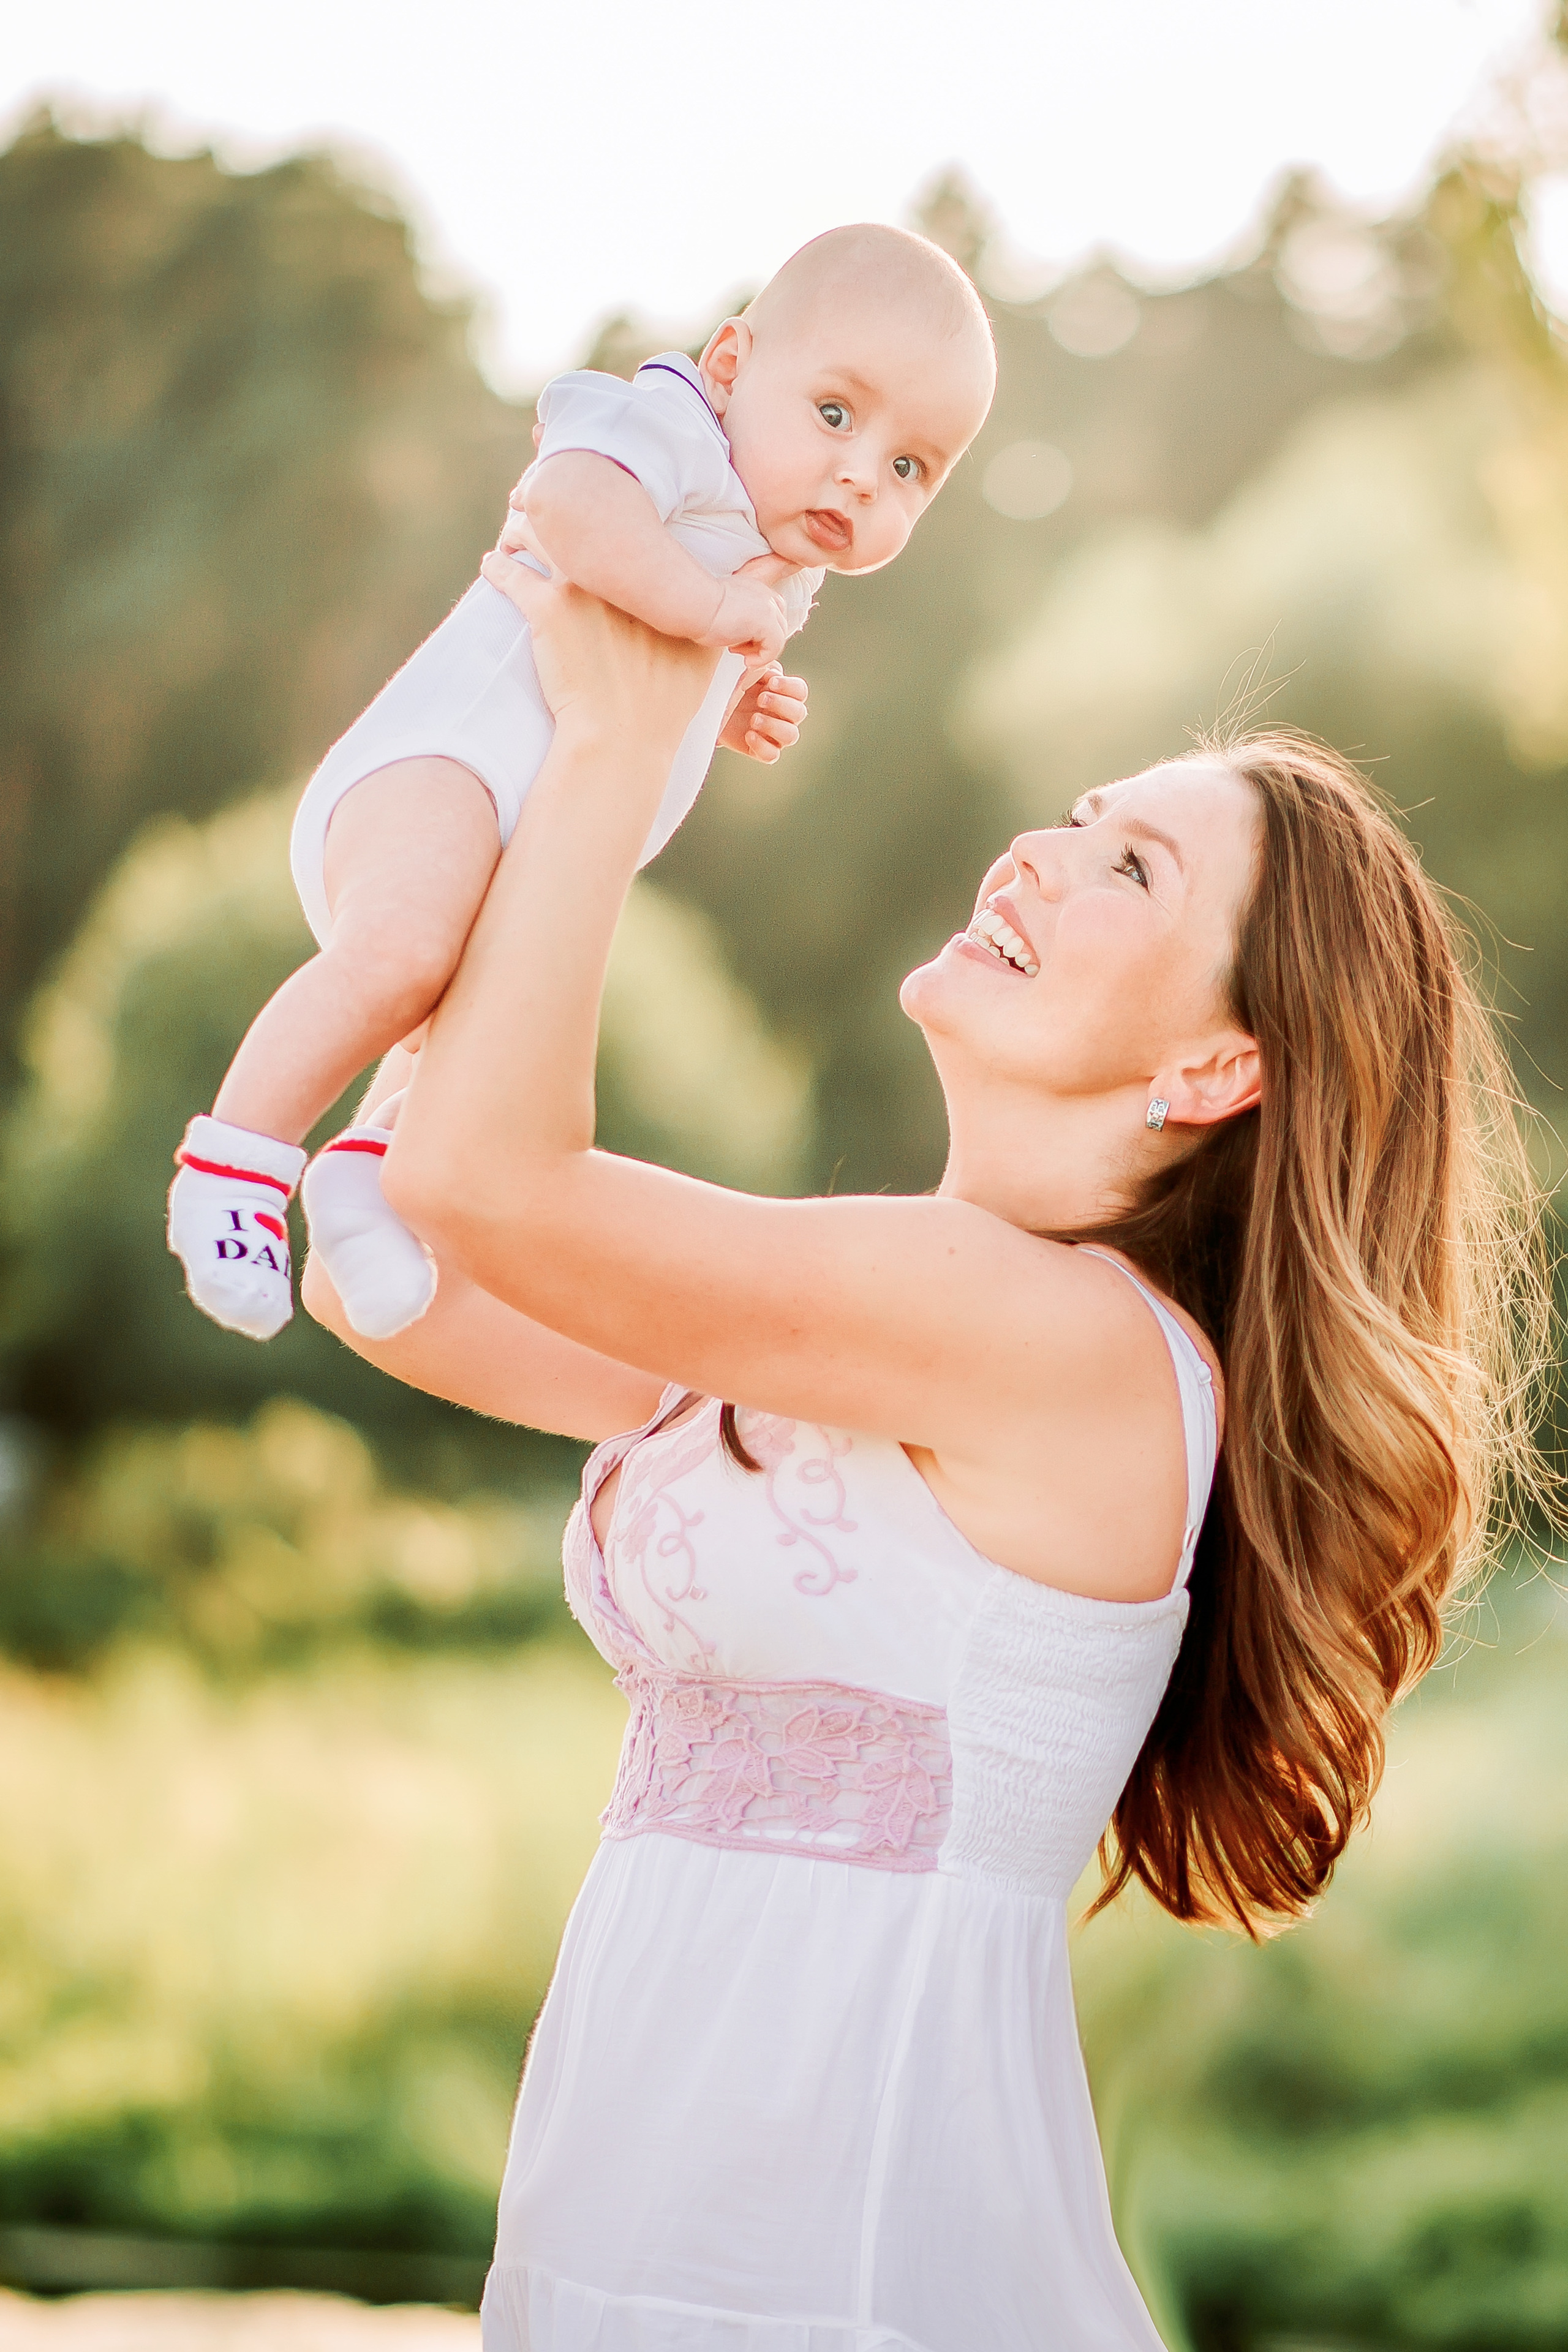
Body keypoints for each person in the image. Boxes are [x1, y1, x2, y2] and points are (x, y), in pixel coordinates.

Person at [304, 556, 1552, 2349]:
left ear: (1215, 1070)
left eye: (1132, 865)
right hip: (636, 2202)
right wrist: (506, 805)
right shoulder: (865, 1318)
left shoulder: (1054, 1340)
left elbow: (484, 1185)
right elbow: (399, 1277)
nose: (1033, 854)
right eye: (1073, 817)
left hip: (842, 2253)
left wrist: (613, 747)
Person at [167, 224, 996, 1349]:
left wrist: (735, 702)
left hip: (532, 838)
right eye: (838, 415)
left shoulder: (781, 562)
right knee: (407, 953)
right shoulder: (664, 424)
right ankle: (237, 1161)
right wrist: (707, 619)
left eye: (910, 469)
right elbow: (570, 511)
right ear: (731, 363)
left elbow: (678, 677)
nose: (861, 472)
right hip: (438, 768)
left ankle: (365, 1180)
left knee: (479, 1033)